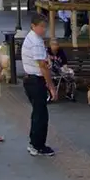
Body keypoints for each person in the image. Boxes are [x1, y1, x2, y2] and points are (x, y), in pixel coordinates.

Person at [20, 15, 58, 157]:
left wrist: (46, 59)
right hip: (35, 80)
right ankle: (38, 145)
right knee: (41, 114)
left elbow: (42, 59)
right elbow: (42, 66)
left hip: (30, 79)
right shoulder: (35, 41)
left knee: (37, 112)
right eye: (41, 26)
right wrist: (51, 86)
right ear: (33, 26)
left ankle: (34, 142)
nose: (43, 29)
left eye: (44, 26)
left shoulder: (33, 38)